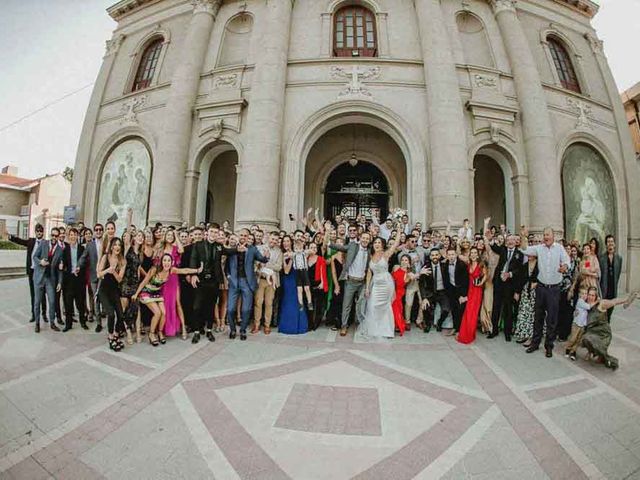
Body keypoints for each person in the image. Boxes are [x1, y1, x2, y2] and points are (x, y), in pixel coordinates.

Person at [521, 227, 571, 358]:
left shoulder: (559, 248)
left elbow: (567, 261)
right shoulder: (539, 248)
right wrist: (523, 237)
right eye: (544, 235)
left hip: (554, 289)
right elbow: (524, 249)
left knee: (552, 319)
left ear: (553, 236)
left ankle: (549, 346)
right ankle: (535, 343)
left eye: (548, 234)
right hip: (541, 288)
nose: (546, 237)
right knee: (538, 316)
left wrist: (564, 267)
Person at [134, 253, 201, 346]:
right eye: (164, 260)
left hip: (157, 294)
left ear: (172, 262)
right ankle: (151, 334)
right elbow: (144, 281)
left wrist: (197, 270)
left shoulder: (171, 270)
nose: (166, 263)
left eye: (169, 261)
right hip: (147, 293)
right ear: (161, 262)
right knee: (158, 313)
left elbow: (184, 270)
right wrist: (136, 294)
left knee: (164, 313)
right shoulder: (154, 269)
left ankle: (160, 332)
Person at [326, 224, 372, 337]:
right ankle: (344, 326)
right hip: (350, 281)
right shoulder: (352, 246)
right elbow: (340, 248)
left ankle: (363, 325)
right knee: (346, 305)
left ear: (369, 240)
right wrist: (328, 240)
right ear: (360, 238)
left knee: (362, 305)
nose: (365, 240)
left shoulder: (370, 251)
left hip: (362, 282)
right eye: (363, 238)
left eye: (367, 238)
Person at [189, 225, 233, 343]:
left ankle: (209, 330)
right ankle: (197, 331)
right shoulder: (198, 245)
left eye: (216, 232)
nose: (214, 234)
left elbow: (229, 251)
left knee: (210, 306)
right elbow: (193, 259)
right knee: (197, 307)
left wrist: (239, 248)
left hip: (214, 281)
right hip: (200, 280)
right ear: (207, 232)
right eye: (212, 231)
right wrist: (193, 274)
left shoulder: (219, 246)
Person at [225, 228, 269, 340]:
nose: (243, 237)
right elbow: (227, 266)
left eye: (245, 236)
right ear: (238, 236)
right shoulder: (232, 249)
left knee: (246, 309)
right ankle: (233, 330)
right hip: (234, 282)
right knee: (230, 308)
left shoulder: (252, 249)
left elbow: (262, 259)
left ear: (248, 237)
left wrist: (266, 256)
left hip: (247, 282)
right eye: (241, 235)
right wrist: (229, 277)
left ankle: (243, 330)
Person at [358, 231, 401, 340]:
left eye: (379, 242)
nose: (377, 244)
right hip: (376, 284)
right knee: (372, 305)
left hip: (386, 283)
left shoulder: (386, 254)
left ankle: (386, 331)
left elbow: (396, 243)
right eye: (375, 242)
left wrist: (399, 229)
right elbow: (369, 273)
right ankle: (374, 330)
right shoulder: (371, 255)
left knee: (385, 306)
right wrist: (367, 288)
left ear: (382, 245)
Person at [581, 290, 638, 370]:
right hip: (592, 330)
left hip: (603, 333)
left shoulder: (601, 304)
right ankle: (590, 352)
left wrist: (627, 299)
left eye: (593, 295)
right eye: (589, 295)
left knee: (590, 339)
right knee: (585, 338)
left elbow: (614, 301)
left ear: (596, 296)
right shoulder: (585, 304)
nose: (590, 297)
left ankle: (601, 356)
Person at [488, 233, 524, 342]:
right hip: (499, 283)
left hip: (510, 285)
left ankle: (507, 333)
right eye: (508, 240)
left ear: (516, 242)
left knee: (508, 309)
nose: (510, 242)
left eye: (512, 240)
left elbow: (519, 270)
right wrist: (490, 238)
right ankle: (494, 330)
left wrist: (510, 274)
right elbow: (493, 246)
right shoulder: (503, 250)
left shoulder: (519, 254)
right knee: (496, 307)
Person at [8, 223, 46, 323]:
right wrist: (10, 237)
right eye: (37, 231)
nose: (39, 233)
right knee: (33, 294)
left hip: (41, 271)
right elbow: (20, 241)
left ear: (43, 232)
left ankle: (44, 314)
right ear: (35, 232)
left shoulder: (46, 243)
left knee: (42, 293)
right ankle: (34, 314)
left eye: (41, 231)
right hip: (32, 271)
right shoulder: (31, 241)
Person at [97, 237, 127, 351]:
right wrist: (108, 270)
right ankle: (110, 336)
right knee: (111, 314)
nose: (117, 247)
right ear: (112, 246)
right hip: (104, 290)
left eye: (119, 245)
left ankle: (115, 334)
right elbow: (99, 274)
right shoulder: (106, 257)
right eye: (115, 245)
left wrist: (114, 271)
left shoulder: (123, 261)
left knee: (120, 314)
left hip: (114, 290)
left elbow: (119, 279)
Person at [32, 228, 64, 333]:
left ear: (58, 237)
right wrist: (40, 262)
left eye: (56, 236)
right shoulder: (43, 243)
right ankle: (37, 323)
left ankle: (52, 323)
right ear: (50, 235)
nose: (54, 238)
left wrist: (59, 282)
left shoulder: (60, 249)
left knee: (52, 301)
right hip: (39, 277)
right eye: (53, 235)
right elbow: (34, 256)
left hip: (51, 279)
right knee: (37, 302)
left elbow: (60, 269)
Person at [253, 231, 283, 334]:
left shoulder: (279, 252)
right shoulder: (259, 248)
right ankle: (256, 325)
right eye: (272, 239)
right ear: (268, 237)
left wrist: (266, 263)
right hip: (260, 279)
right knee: (258, 302)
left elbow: (279, 267)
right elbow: (255, 264)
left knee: (269, 303)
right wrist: (261, 264)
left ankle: (267, 325)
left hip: (272, 281)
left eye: (276, 240)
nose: (273, 241)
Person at [279, 235, 308, 334]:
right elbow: (286, 271)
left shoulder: (298, 252)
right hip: (288, 280)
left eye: (287, 241)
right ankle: (289, 326)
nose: (286, 243)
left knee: (299, 301)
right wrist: (291, 258)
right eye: (284, 241)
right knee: (289, 301)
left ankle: (300, 326)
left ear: (291, 242)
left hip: (298, 278)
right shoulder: (283, 254)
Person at [80, 223, 106, 332]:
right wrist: (77, 266)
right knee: (96, 299)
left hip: (105, 276)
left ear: (103, 231)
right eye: (97, 230)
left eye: (100, 229)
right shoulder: (89, 245)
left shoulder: (107, 243)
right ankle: (99, 323)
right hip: (93, 276)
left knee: (105, 298)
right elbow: (83, 257)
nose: (99, 231)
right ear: (94, 232)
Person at [61, 228, 87, 331]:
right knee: (68, 303)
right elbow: (63, 263)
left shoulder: (82, 249)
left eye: (74, 235)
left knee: (80, 303)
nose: (72, 237)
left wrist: (80, 268)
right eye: (71, 235)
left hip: (79, 279)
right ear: (68, 236)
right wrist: (62, 265)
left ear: (77, 236)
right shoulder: (65, 249)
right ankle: (68, 324)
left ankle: (83, 321)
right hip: (69, 279)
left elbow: (85, 262)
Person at [456, 247, 484, 344]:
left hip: (477, 291)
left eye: (475, 253)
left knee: (473, 313)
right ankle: (465, 334)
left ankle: (470, 334)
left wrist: (481, 283)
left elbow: (486, 275)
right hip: (469, 290)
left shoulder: (481, 264)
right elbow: (458, 254)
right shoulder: (468, 264)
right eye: (471, 253)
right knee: (467, 312)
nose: (473, 254)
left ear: (477, 254)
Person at [419, 248, 450, 333]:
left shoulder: (444, 265)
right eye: (432, 255)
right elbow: (421, 284)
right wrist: (424, 297)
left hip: (442, 292)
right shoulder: (426, 267)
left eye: (436, 255)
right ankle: (428, 324)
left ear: (439, 256)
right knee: (425, 307)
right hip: (430, 292)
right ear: (430, 257)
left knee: (446, 309)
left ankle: (439, 323)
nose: (435, 257)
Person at [443, 247, 469, 336]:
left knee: (460, 310)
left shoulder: (462, 265)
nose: (451, 256)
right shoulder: (445, 264)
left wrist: (463, 295)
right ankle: (455, 328)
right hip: (451, 290)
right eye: (449, 255)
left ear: (456, 255)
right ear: (446, 255)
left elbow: (466, 281)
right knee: (454, 309)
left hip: (461, 290)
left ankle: (460, 330)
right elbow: (446, 279)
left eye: (453, 254)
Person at [513, 254, 538, 345]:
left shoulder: (540, 265)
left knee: (532, 315)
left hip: (535, 293)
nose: (529, 255)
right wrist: (517, 292)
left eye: (531, 253)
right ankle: (523, 334)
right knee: (523, 313)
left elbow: (543, 277)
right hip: (525, 292)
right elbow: (519, 279)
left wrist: (537, 283)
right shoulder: (525, 265)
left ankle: (531, 337)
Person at [599, 234, 622, 322]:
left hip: (613, 290)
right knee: (603, 313)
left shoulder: (619, 258)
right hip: (604, 289)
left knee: (610, 312)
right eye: (608, 242)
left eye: (612, 241)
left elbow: (618, 274)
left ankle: (606, 327)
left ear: (614, 244)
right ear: (606, 244)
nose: (610, 243)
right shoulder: (601, 258)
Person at [564, 289, 592, 361]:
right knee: (573, 338)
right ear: (579, 294)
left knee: (578, 339)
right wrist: (596, 301)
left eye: (586, 293)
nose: (584, 295)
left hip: (582, 324)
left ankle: (573, 351)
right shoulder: (580, 302)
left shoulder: (585, 302)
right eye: (582, 293)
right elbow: (589, 307)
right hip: (576, 324)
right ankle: (568, 348)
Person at [307, 242, 328, 331]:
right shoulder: (305, 258)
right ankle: (310, 322)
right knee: (309, 304)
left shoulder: (320, 259)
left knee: (317, 305)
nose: (313, 249)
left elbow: (323, 272)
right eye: (311, 247)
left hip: (317, 284)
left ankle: (315, 323)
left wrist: (322, 283)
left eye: (315, 247)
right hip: (308, 285)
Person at [391, 254, 413, 336]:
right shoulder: (396, 267)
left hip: (399, 292)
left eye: (406, 260)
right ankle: (393, 324)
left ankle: (398, 325)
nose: (404, 262)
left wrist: (420, 272)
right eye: (402, 260)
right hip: (391, 289)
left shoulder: (408, 273)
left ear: (409, 262)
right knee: (394, 308)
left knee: (396, 308)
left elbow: (410, 279)